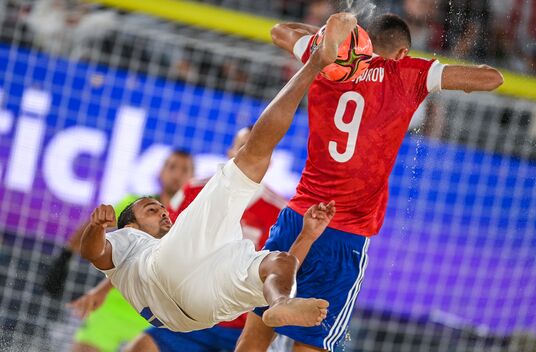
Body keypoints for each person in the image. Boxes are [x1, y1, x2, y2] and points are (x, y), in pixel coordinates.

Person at [236, 13, 504, 352]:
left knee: (253, 338)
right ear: (403, 53)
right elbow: (491, 79)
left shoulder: (327, 59)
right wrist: (432, 71)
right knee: (314, 345)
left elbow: (279, 31)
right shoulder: (408, 73)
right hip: (346, 233)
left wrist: (329, 39)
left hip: (297, 215)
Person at [78, 12, 356, 338]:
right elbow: (91, 252)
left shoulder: (186, 234)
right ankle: (316, 62)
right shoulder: (130, 242)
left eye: (160, 207)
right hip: (175, 284)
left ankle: (280, 302)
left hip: (201, 308)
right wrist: (97, 228)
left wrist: (307, 235)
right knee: (252, 156)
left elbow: (285, 266)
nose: (163, 210)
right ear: (131, 225)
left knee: (277, 263)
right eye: (151, 210)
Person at [77, 127, 287, 352]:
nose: (253, 149)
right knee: (141, 347)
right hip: (186, 312)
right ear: (230, 152)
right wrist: (103, 288)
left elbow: (278, 271)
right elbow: (150, 248)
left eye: (259, 145)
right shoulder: (195, 190)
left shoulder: (278, 211)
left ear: (270, 159)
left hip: (239, 322)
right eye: (243, 144)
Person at [48, 149, 194, 352]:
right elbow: (94, 224)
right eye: (172, 167)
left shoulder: (188, 218)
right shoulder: (136, 205)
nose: (177, 174)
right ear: (160, 172)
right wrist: (65, 256)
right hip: (114, 304)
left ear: (192, 177)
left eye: (184, 169)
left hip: (153, 314)